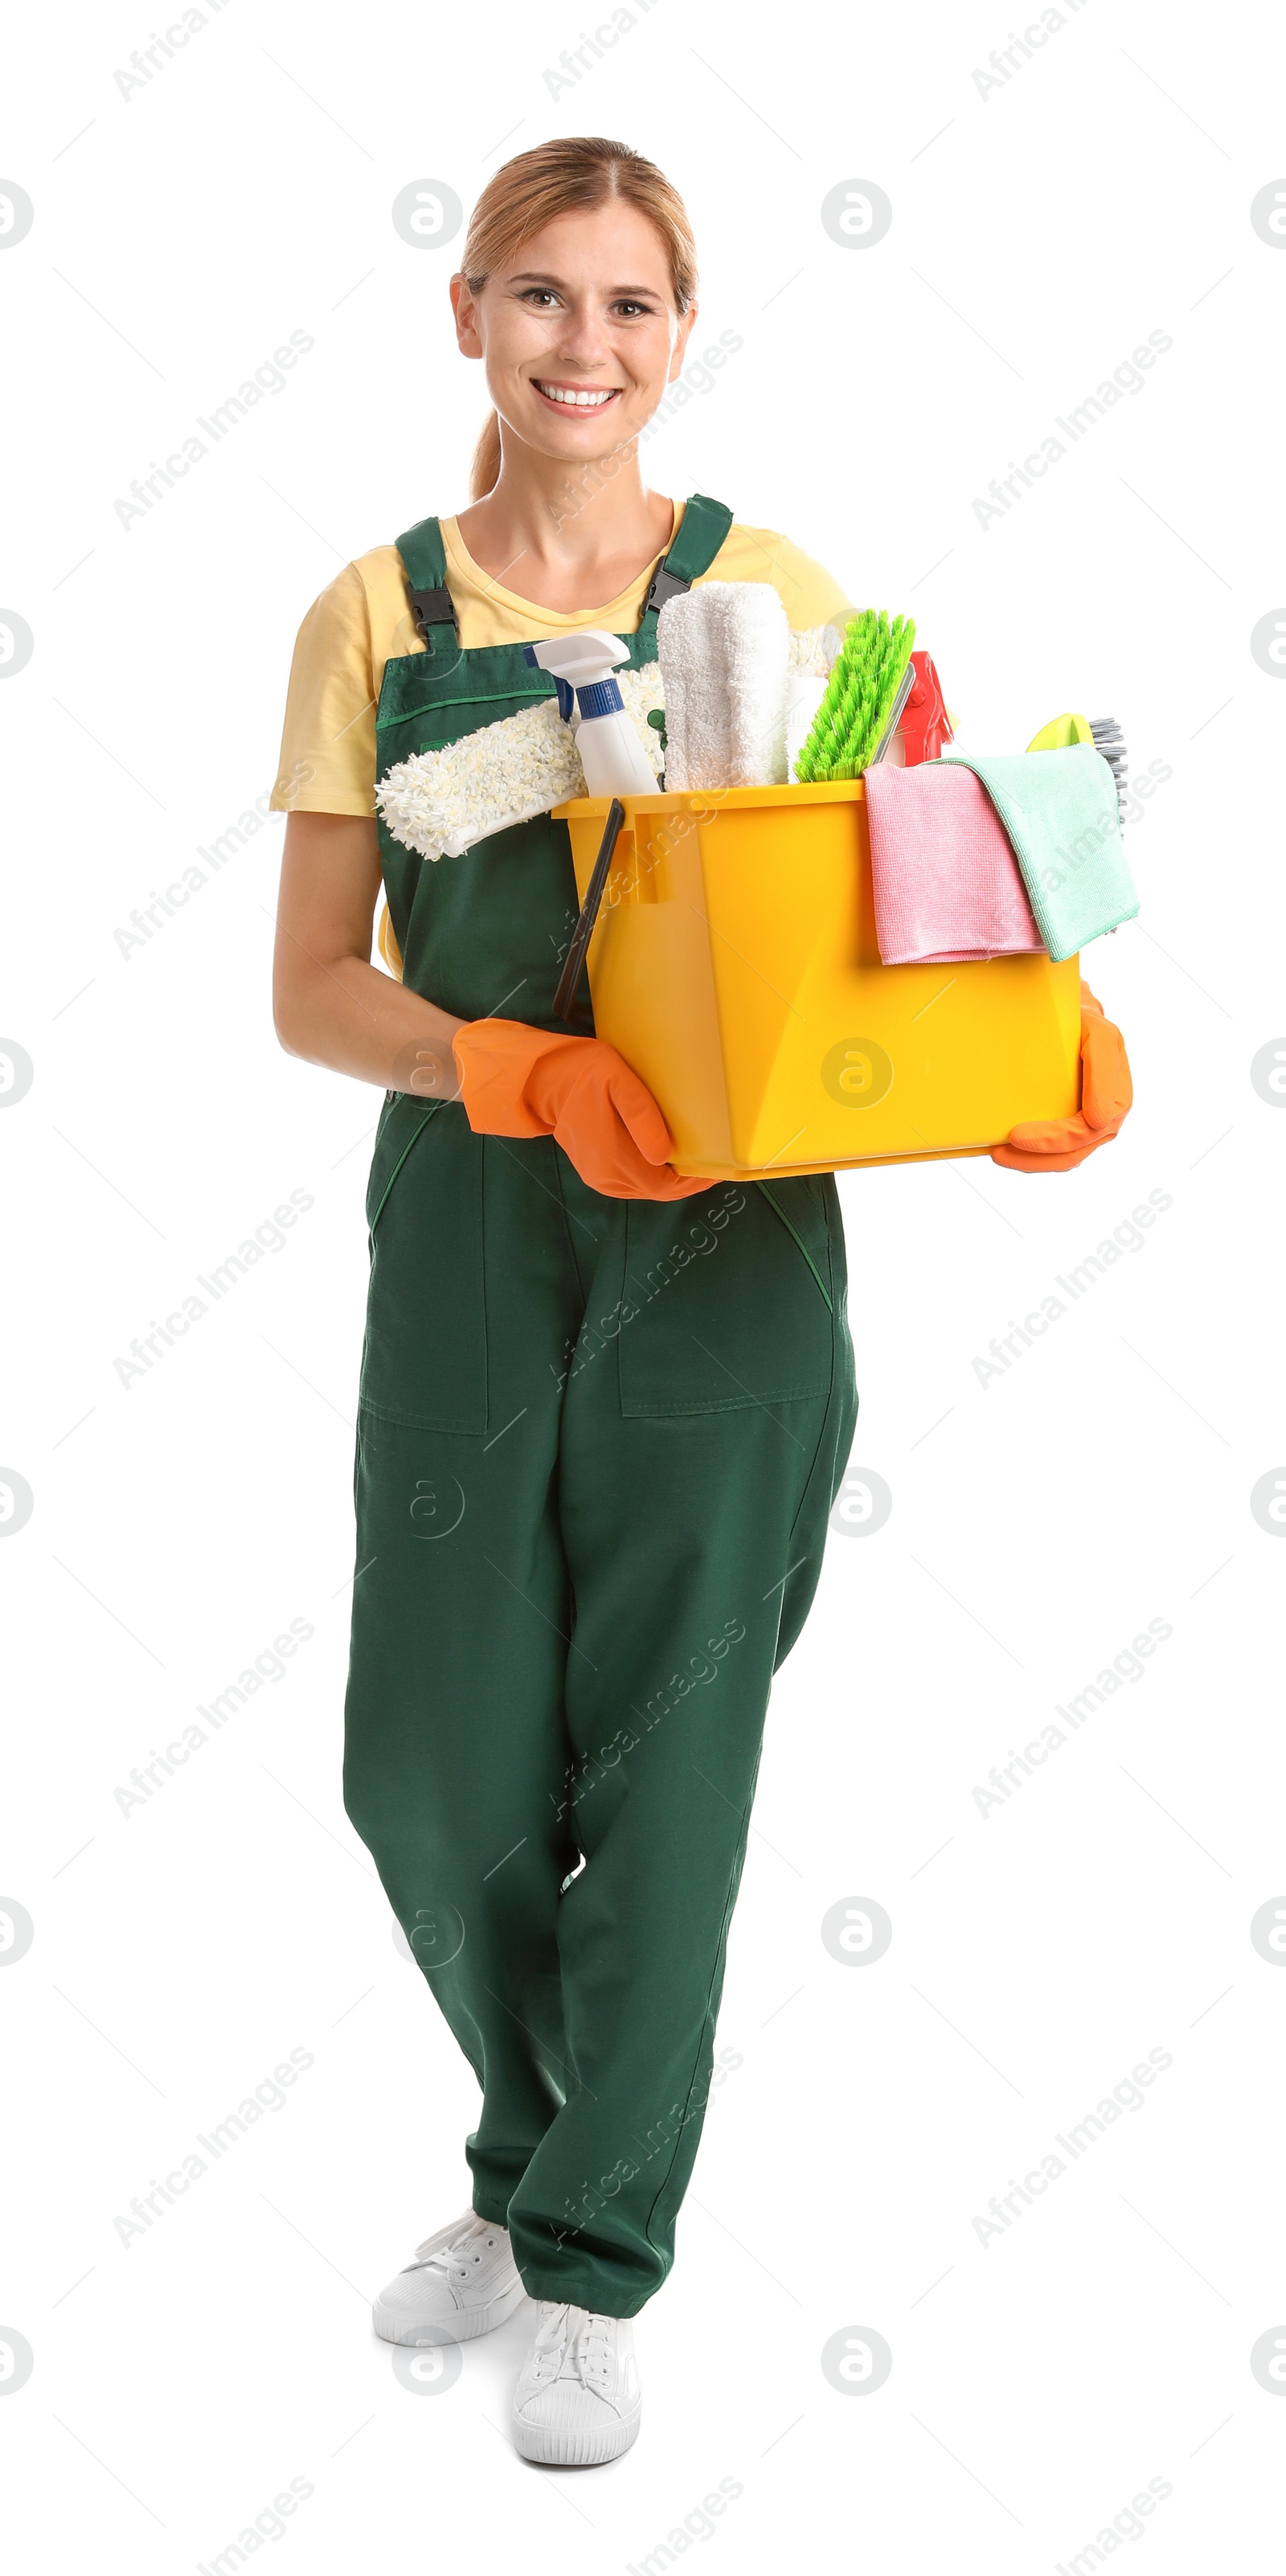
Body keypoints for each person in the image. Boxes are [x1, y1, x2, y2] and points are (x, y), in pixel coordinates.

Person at [270, 135, 1132, 2469]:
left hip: (735, 1254)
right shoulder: (373, 611)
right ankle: (549, 2159)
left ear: (682, 329)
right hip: (471, 1225)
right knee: (424, 1772)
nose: (584, 342)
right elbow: (306, 993)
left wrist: (1053, 1039)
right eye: (539, 294)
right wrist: (515, 1064)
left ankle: (585, 2261)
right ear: (466, 313)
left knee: (663, 1772)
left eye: (632, 302)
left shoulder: (784, 598)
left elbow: (923, 891)